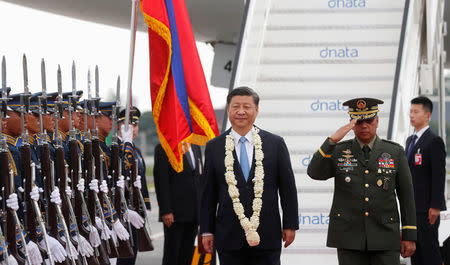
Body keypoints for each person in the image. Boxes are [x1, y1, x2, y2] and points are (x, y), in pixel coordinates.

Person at [307, 97, 417, 265]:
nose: (364, 125)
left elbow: (406, 196)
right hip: (349, 236)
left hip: (385, 235)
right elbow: (314, 172)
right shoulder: (338, 150)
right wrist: (331, 141)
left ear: (377, 121)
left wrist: (409, 235)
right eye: (358, 122)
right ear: (351, 124)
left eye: (369, 120)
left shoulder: (394, 152)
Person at [200, 87, 299, 265]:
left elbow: (287, 188)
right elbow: (208, 193)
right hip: (228, 235)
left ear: (256, 110)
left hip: (266, 234)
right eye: (236, 106)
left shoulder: (275, 144)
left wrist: (290, 224)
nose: (241, 111)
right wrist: (206, 230)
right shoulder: (214, 146)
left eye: (247, 106)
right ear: (229, 109)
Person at [407, 96, 446, 265]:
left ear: (427, 115)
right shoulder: (410, 140)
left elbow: (439, 175)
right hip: (412, 208)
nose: (411, 115)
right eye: (410, 111)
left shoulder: (434, 141)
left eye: (416, 112)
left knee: (429, 251)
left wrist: (435, 206)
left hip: (427, 210)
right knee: (416, 252)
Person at [154, 140, 202, 265]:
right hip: (174, 214)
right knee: (172, 255)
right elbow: (161, 181)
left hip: (192, 214)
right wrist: (166, 210)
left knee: (187, 255)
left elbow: (198, 179)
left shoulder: (195, 147)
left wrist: (200, 213)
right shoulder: (165, 147)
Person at [116, 106, 151, 265]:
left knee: (132, 256)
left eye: (135, 125)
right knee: (123, 258)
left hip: (137, 210)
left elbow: (142, 181)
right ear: (119, 126)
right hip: (121, 212)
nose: (133, 129)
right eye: (128, 125)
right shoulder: (115, 148)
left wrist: (146, 207)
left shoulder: (135, 150)